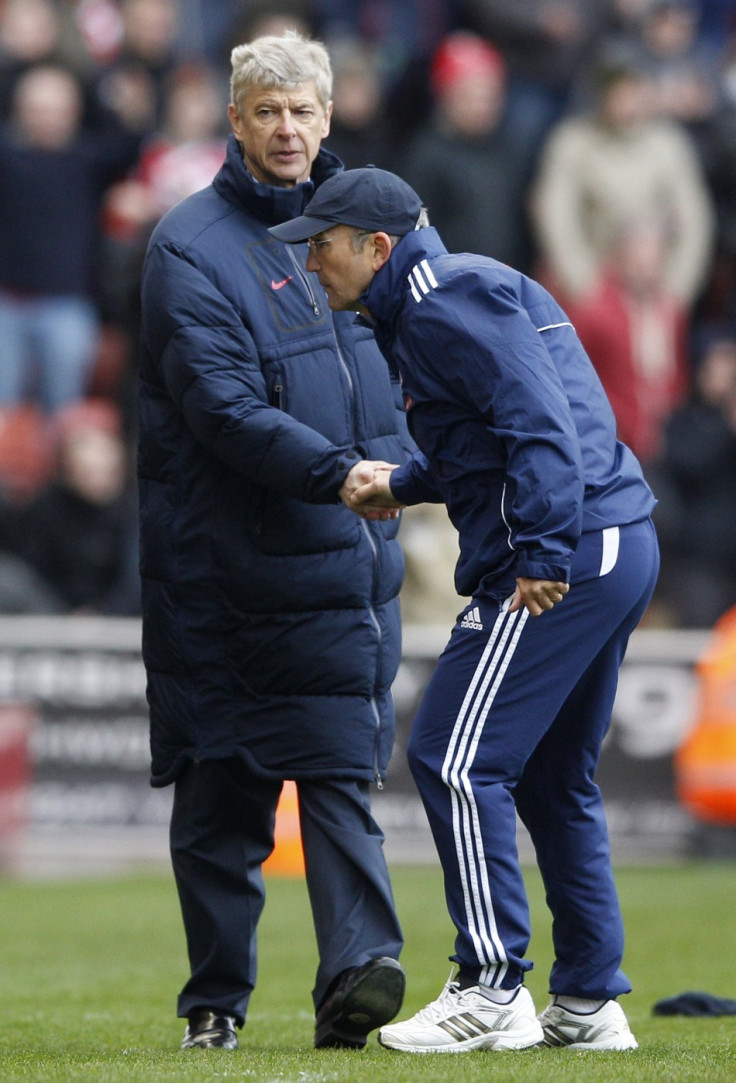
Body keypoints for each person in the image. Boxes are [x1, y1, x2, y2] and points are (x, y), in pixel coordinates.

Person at [270, 166, 660, 1053]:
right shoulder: (440, 295)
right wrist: (404, 482)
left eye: (322, 246)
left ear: (376, 247)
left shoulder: (442, 301)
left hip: (571, 549)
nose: (313, 264)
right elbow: (491, 438)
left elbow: (539, 423)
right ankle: (591, 1001)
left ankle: (491, 986)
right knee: (556, 779)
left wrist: (544, 551)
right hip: (612, 537)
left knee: (452, 752)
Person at [137, 33, 411, 1052]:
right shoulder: (188, 246)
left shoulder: (376, 224)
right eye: (267, 111)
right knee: (224, 794)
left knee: (340, 774)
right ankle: (216, 1000)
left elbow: (421, 360)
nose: (288, 128)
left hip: (347, 559)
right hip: (225, 568)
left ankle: (360, 976)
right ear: (236, 121)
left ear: (328, 117)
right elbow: (219, 406)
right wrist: (342, 474)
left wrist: (419, 472)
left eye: (303, 109)